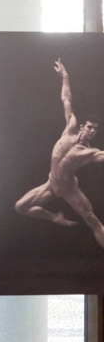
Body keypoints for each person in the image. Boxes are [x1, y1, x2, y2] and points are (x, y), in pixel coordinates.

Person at [15, 58, 104, 248]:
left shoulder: (89, 152)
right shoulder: (70, 127)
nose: (92, 131)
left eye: (95, 129)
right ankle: (55, 218)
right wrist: (65, 76)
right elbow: (66, 99)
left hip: (68, 188)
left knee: (93, 221)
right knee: (21, 207)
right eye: (90, 127)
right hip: (50, 184)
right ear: (82, 126)